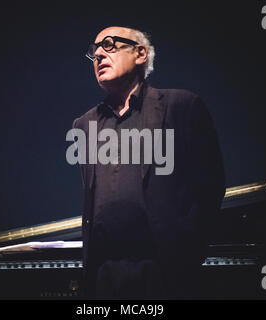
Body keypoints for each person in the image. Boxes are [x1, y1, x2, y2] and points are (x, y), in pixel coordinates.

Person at [71, 26, 226, 299]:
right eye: (93, 50)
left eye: (108, 45)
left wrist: (188, 251)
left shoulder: (181, 107)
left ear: (140, 53)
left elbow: (211, 186)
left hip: (165, 272)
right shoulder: (84, 125)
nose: (97, 54)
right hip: (103, 275)